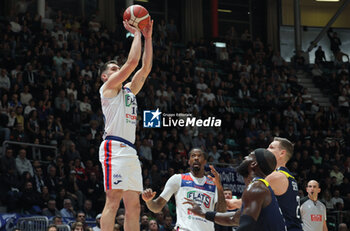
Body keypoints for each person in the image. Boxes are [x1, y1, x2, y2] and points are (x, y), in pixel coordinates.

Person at [98, 18, 153, 231]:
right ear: (105, 76)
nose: (117, 69)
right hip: (114, 147)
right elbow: (131, 64)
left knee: (134, 207)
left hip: (130, 150)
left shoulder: (128, 90)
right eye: (113, 68)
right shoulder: (108, 89)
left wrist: (148, 38)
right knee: (113, 200)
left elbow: (145, 68)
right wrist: (136, 33)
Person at [184, 148, 287, 231]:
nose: (244, 157)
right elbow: (234, 218)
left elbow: (246, 226)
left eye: (249, 156)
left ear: (253, 164)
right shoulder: (260, 187)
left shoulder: (256, 188)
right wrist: (203, 213)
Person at [226, 137, 303, 231]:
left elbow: (247, 201)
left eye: (271, 147)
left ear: (282, 153)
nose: (267, 150)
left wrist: (228, 202)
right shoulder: (289, 177)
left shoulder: (275, 176)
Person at [142, 148, 226, 231]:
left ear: (204, 161)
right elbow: (157, 207)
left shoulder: (213, 184)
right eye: (193, 156)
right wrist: (149, 201)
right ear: (189, 161)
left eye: (199, 156)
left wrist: (219, 187)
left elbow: (221, 213)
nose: (196, 158)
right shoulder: (178, 179)